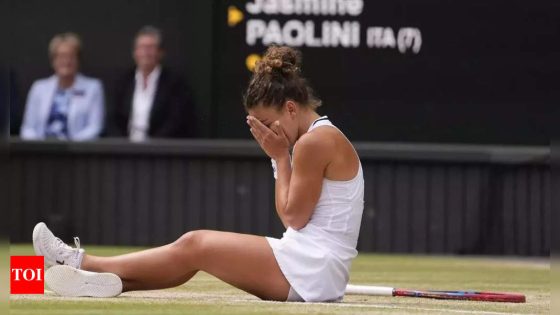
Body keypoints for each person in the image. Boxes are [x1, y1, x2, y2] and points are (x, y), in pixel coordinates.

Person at [33, 46, 364, 302]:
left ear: (291, 108)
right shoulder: (316, 139)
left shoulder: (313, 143)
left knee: (196, 245)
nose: (263, 133)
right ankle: (107, 280)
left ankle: (80, 261)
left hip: (313, 271)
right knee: (193, 249)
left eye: (266, 123)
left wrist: (280, 159)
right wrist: (281, 157)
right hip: (311, 266)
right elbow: (297, 221)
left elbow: (293, 217)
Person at [112, 26, 195, 141]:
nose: (145, 52)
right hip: (126, 149)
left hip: (159, 150)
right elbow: (114, 118)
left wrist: (151, 145)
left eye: (150, 48)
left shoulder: (174, 83)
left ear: (160, 53)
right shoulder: (124, 81)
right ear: (135, 53)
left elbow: (175, 120)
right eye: (141, 47)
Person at [20, 33, 104, 140]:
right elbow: (28, 128)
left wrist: (69, 147)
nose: (66, 61)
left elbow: (95, 128)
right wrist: (38, 147)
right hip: (41, 152)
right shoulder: (39, 88)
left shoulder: (93, 88)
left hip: (78, 152)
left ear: (78, 60)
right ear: (53, 61)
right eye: (61, 56)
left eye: (71, 56)